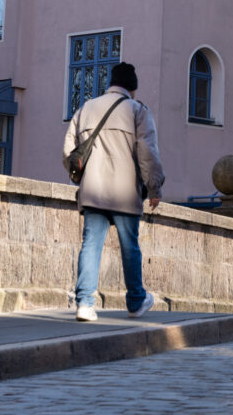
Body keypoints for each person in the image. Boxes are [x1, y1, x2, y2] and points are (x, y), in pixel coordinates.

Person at [63, 61, 165, 322]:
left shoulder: (86, 108)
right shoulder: (137, 110)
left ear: (110, 84)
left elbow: (69, 151)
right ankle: (135, 302)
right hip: (125, 193)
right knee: (130, 246)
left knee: (90, 245)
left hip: (93, 191)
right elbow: (147, 153)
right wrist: (154, 187)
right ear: (132, 89)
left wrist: (83, 179)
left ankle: (85, 303)